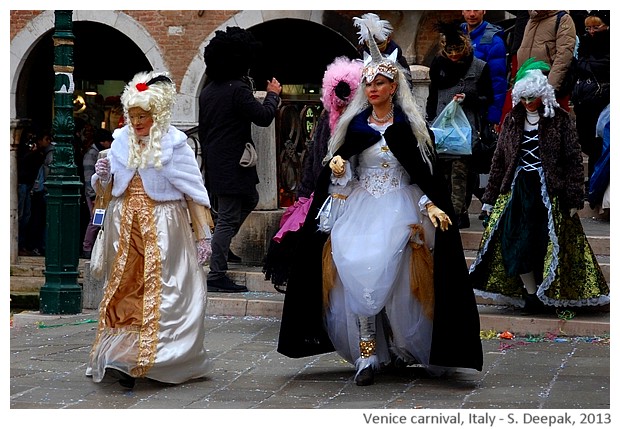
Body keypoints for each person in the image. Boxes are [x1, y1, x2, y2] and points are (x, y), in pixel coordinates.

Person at [277, 18, 483, 387]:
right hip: (361, 208)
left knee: (401, 280)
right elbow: (339, 177)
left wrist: (432, 205)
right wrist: (338, 167)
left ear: (394, 87)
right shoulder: (353, 128)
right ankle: (368, 352)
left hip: (401, 209)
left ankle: (404, 346)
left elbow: (422, 175)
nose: (373, 89)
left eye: (380, 83)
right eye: (368, 83)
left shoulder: (410, 129)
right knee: (356, 269)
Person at [86, 71, 213, 389]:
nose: (137, 121)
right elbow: (107, 191)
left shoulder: (176, 146)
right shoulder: (119, 144)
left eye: (143, 115)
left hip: (164, 228)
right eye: (133, 115)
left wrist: (203, 236)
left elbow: (194, 192)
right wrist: (102, 176)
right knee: (125, 289)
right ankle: (122, 355)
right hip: (124, 226)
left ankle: (161, 357)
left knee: (164, 290)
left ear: (156, 115)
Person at [468, 59, 610, 315]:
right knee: (516, 242)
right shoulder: (512, 120)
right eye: (523, 98)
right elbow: (500, 160)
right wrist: (490, 198)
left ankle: (546, 293)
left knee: (546, 242)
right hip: (518, 190)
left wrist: (574, 198)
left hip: (549, 191)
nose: (527, 102)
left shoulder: (560, 119)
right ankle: (530, 293)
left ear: (542, 95)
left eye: (532, 97)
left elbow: (573, 160)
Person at [263, 56, 363, 292]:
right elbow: (312, 158)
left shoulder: (363, 122)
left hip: (357, 199)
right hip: (323, 196)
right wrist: (304, 193)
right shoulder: (325, 119)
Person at [199, 26, 282, 293]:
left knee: (249, 201)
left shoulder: (210, 90)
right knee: (226, 218)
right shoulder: (237, 90)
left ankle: (220, 249)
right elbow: (263, 117)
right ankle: (216, 273)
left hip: (216, 162)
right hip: (232, 164)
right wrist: (273, 95)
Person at [426, 21, 493, 229]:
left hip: (466, 128)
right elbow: (433, 96)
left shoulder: (479, 66)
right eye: (449, 50)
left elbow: (487, 97)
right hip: (442, 126)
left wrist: (469, 97)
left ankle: (457, 213)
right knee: (443, 171)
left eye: (457, 50)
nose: (454, 54)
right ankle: (451, 211)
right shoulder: (437, 65)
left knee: (461, 171)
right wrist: (429, 121)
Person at [461, 10, 507, 219]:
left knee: (482, 159)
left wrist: (494, 115)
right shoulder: (457, 34)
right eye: (467, 8)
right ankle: (463, 207)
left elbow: (498, 81)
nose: (472, 13)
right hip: (459, 108)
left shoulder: (493, 38)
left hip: (481, 108)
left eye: (476, 8)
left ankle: (489, 203)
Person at [572, 10, 610, 182]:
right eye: (588, 28)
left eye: (597, 27)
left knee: (599, 141)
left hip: (603, 99)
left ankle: (595, 180)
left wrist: (584, 64)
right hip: (584, 100)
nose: (592, 31)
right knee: (586, 141)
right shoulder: (583, 44)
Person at [516, 10, 577, 111]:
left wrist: (550, 88)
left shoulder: (563, 18)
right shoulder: (532, 20)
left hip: (547, 83)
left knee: (553, 121)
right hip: (528, 84)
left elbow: (563, 57)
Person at [17, 127, 51, 255]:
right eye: (46, 139)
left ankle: (23, 245)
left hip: (29, 186)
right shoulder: (29, 152)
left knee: (27, 215)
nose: (48, 142)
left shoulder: (41, 154)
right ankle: (20, 245)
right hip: (23, 185)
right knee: (22, 215)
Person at [353, 13, 412, 87]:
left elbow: (408, 88)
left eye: (380, 43)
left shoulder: (399, 60)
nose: (376, 48)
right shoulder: (359, 60)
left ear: (388, 40)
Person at [81, 128, 113, 258]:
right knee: (95, 221)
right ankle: (87, 247)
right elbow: (89, 177)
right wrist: (93, 195)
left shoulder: (98, 153)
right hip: (95, 194)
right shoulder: (92, 155)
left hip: (103, 192)